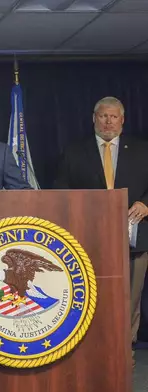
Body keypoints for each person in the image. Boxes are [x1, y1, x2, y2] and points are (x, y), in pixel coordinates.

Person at [53, 96, 148, 366]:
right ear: (93, 119)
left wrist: (145, 204)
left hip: (135, 239)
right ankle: (93, 348)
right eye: (103, 116)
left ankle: (123, 350)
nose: (108, 122)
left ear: (122, 120)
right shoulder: (74, 151)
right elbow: (60, 189)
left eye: (113, 116)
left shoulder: (142, 150)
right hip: (88, 237)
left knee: (130, 296)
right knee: (92, 293)